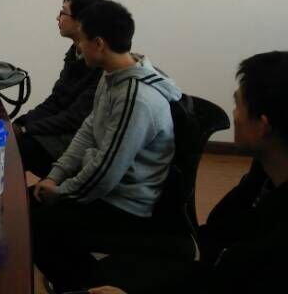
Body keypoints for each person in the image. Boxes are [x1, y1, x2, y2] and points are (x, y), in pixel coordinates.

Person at [85, 51, 288, 294]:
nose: (234, 114)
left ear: (263, 126)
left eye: (238, 104)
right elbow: (218, 237)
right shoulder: (264, 173)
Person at [29, 0, 182, 292]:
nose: (78, 47)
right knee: (30, 205)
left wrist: (61, 193)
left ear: (99, 44)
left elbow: (105, 174)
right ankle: (75, 278)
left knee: (38, 224)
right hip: (108, 188)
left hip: (127, 204)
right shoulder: (112, 74)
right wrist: (55, 176)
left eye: (82, 40)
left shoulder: (135, 98)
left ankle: (88, 285)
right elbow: (88, 130)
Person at [14, 0, 105, 177]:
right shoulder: (75, 53)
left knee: (18, 146)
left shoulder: (102, 65)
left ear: (81, 21)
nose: (58, 18)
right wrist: (22, 122)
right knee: (10, 134)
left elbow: (75, 118)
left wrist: (26, 129)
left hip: (80, 140)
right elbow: (56, 101)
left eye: (63, 12)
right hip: (64, 131)